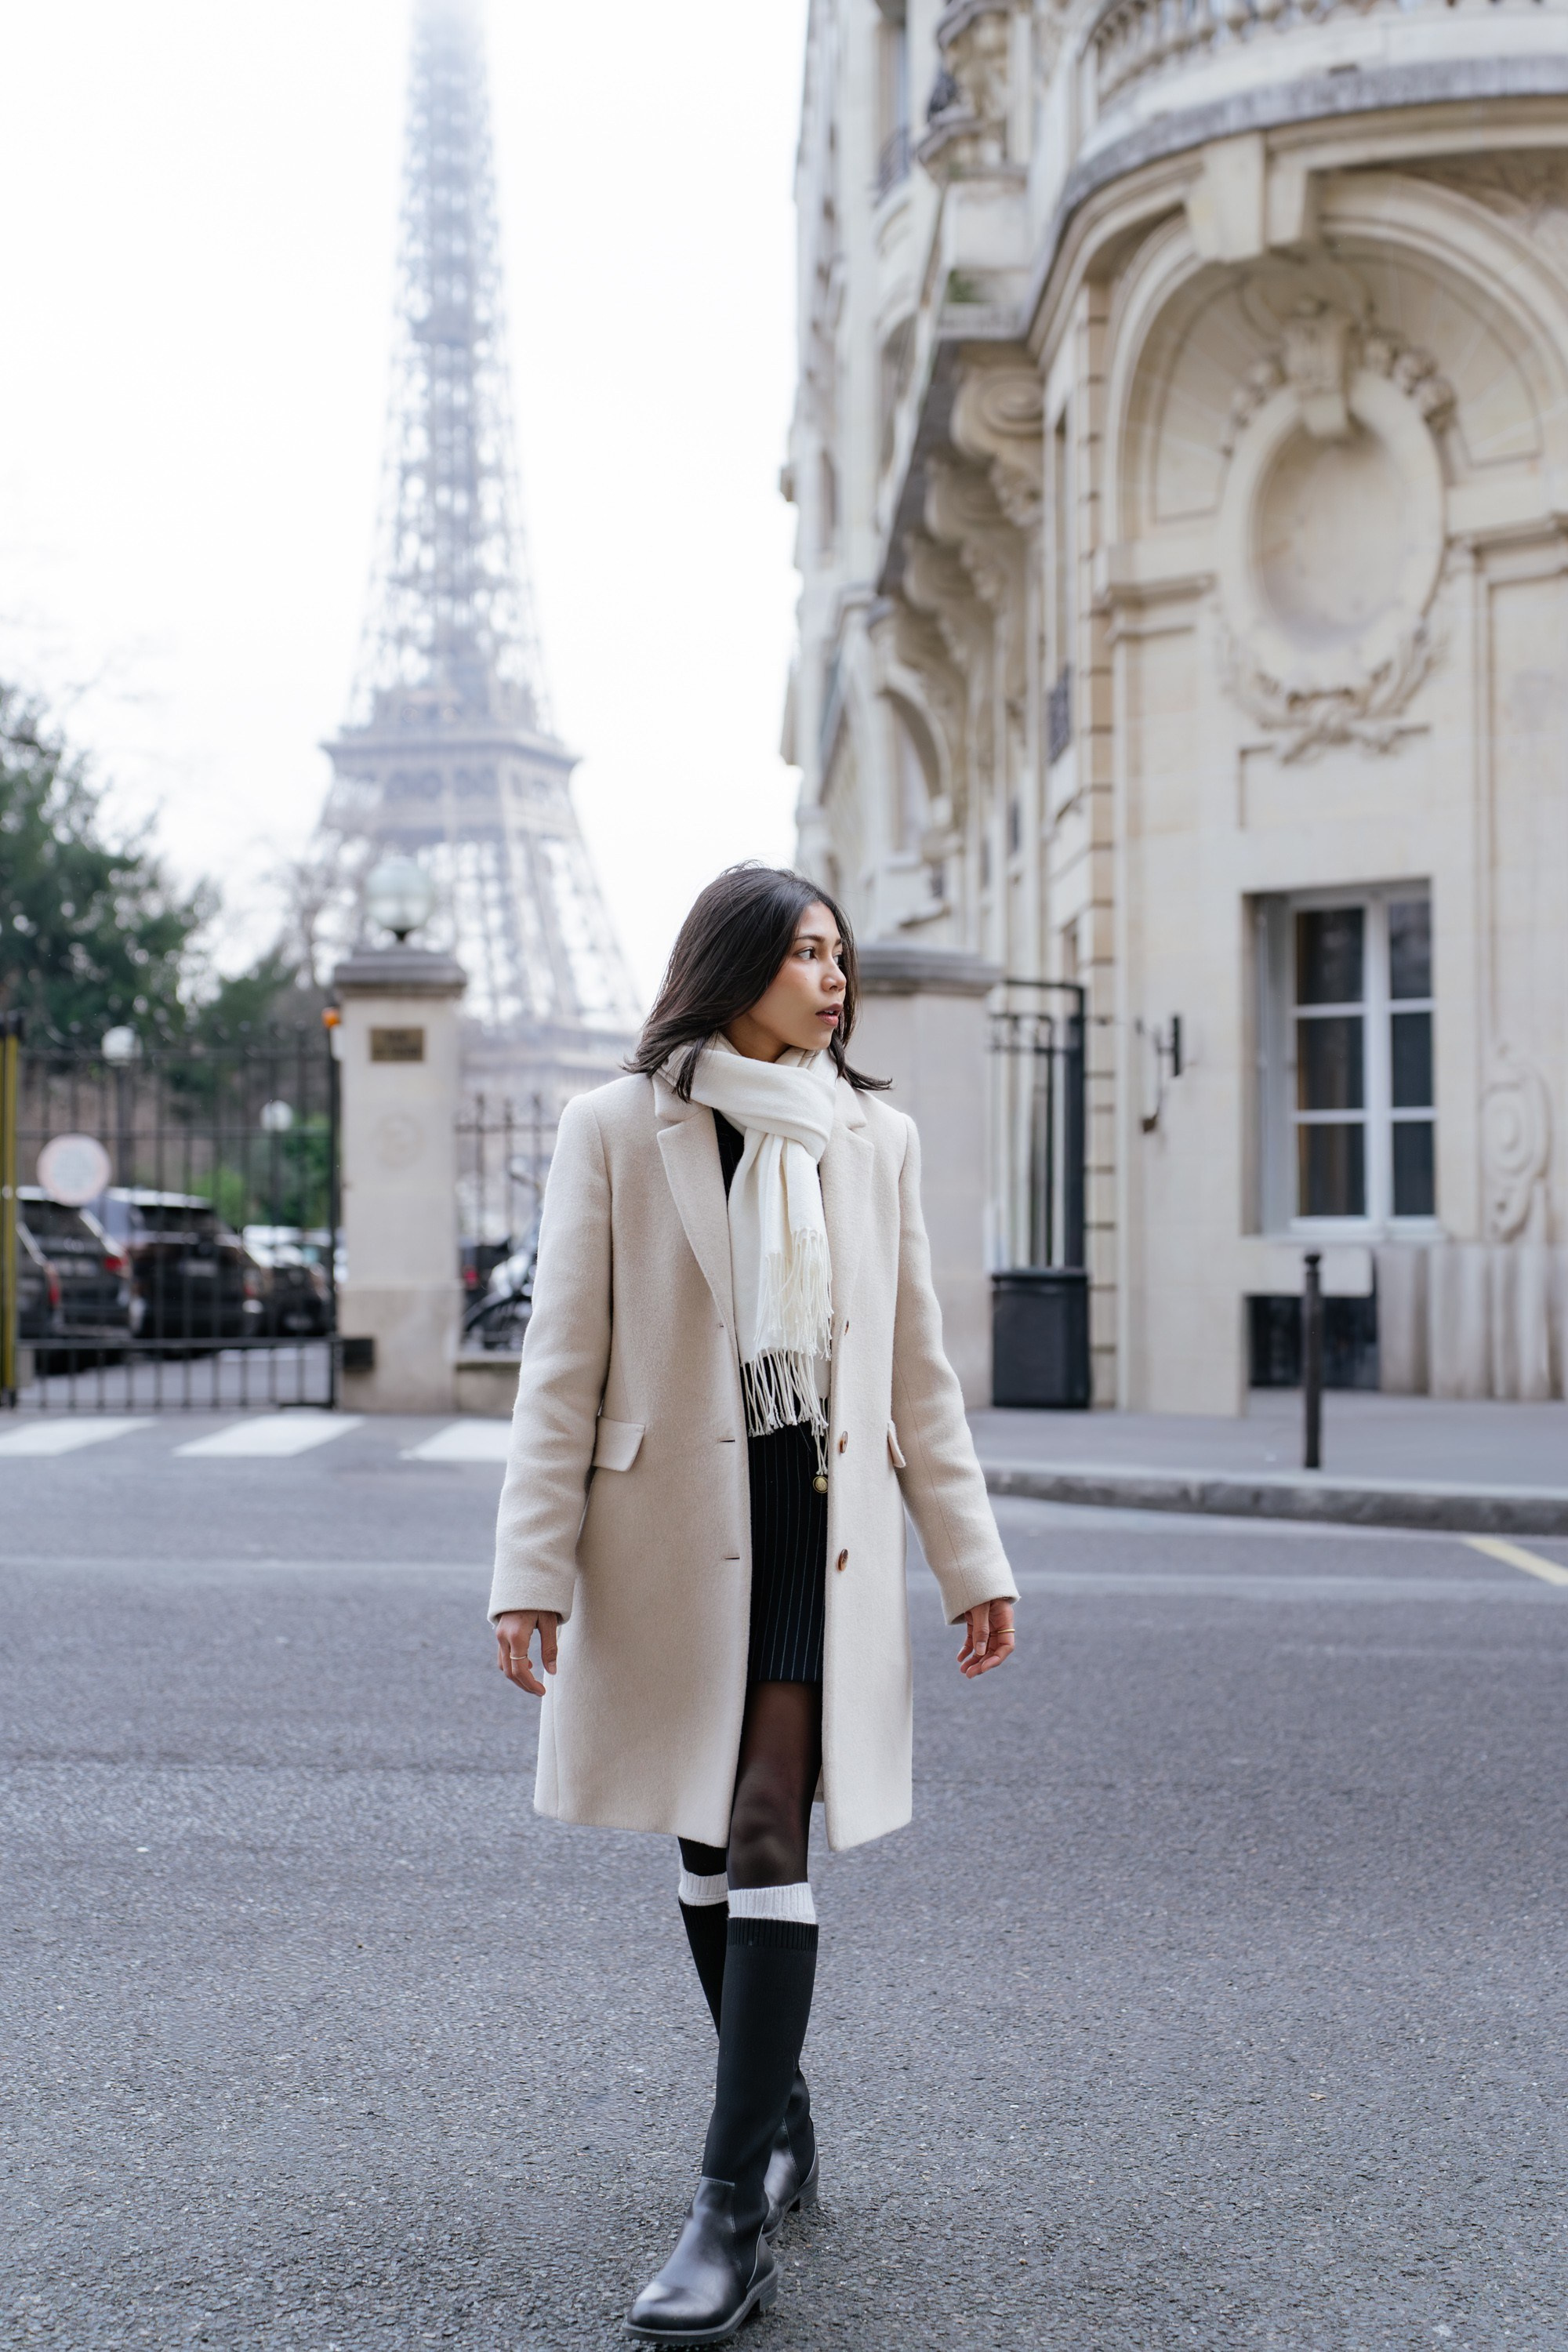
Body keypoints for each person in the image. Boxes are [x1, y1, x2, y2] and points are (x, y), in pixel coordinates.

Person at [489, 865, 1017, 2345]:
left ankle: (727, 2213)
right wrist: (527, 1574)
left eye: (842, 954)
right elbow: (561, 1367)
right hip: (669, 1543)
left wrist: (973, 1558)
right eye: (804, 953)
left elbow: (919, 1371)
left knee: (775, 1821)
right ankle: (777, 2104)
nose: (834, 978)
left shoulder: (876, 1139)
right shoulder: (618, 1127)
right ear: (733, 966)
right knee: (711, 1839)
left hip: (819, 1536)